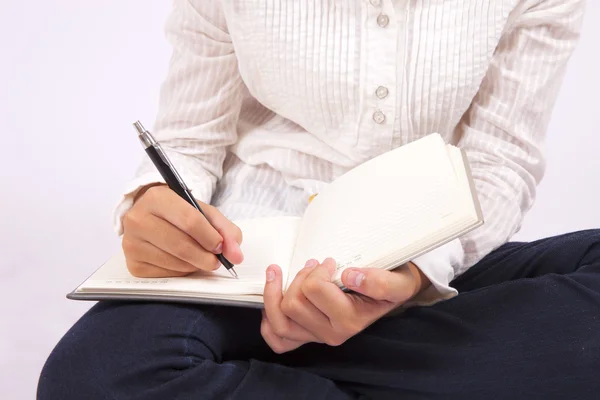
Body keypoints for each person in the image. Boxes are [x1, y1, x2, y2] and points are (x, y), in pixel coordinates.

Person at [38, 1, 599, 399]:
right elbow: (189, 137)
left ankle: (251, 367)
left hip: (432, 255)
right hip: (249, 265)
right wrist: (156, 200)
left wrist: (411, 277)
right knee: (91, 377)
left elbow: (500, 160)